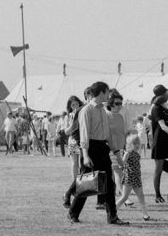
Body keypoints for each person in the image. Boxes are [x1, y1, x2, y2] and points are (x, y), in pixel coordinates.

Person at [69, 81, 124, 225]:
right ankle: (73, 212)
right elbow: (84, 134)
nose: (108, 95)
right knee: (86, 184)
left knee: (108, 184)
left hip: (102, 148)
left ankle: (112, 217)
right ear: (101, 92)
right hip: (90, 148)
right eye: (107, 92)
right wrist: (86, 155)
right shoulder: (86, 110)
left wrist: (117, 154)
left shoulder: (103, 110)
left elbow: (108, 135)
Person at [116, 132, 150, 221]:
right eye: (134, 144)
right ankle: (112, 211)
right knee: (124, 197)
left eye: (138, 143)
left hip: (137, 177)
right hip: (129, 177)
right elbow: (122, 163)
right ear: (129, 144)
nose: (137, 145)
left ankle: (145, 214)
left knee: (141, 196)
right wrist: (120, 160)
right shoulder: (128, 153)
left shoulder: (137, 153)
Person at [62, 93, 88, 208]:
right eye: (72, 105)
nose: (75, 107)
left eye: (76, 104)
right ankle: (74, 185)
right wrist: (73, 123)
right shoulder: (68, 116)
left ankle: (76, 186)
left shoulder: (83, 113)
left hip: (81, 141)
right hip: (73, 141)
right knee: (74, 164)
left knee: (82, 165)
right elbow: (66, 132)